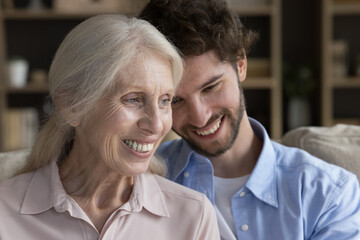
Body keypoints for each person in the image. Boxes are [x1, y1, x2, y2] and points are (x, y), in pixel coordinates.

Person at [140, 0, 360, 239]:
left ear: (241, 64)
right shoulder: (141, 180)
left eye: (211, 87)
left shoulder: (330, 194)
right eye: (175, 100)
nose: (200, 117)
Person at [0, 14, 220, 240]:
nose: (156, 125)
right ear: (71, 106)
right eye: (133, 99)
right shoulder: (4, 212)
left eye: (165, 101)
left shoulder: (194, 217)